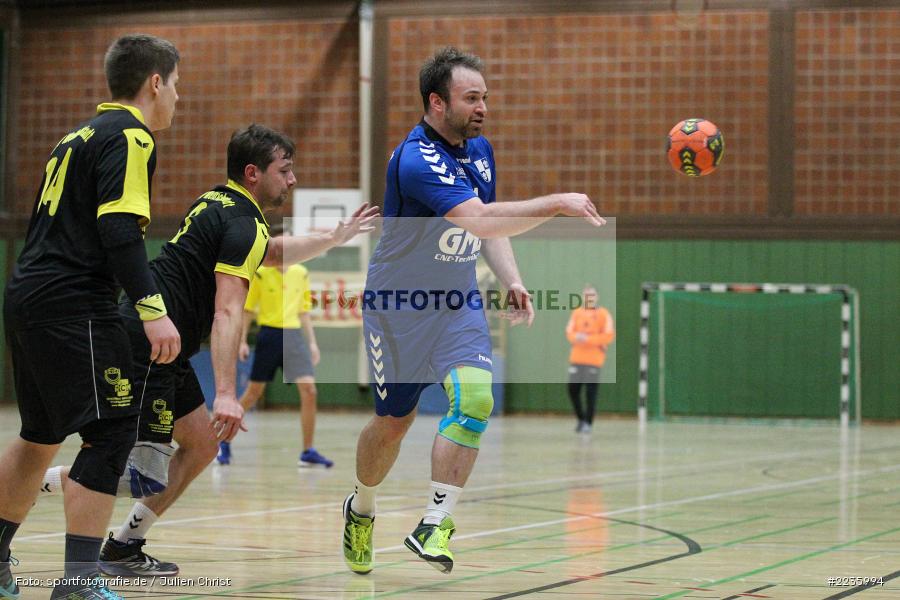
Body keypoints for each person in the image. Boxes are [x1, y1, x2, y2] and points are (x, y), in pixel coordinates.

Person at [38, 125, 378, 578]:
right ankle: (27, 483)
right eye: (286, 170)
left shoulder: (219, 201)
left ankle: (124, 546)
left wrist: (333, 238)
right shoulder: (243, 221)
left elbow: (271, 252)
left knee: (201, 445)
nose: (292, 180)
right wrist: (225, 393)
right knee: (134, 475)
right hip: (147, 347)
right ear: (254, 173)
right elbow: (227, 310)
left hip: (167, 348)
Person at [341, 47, 605, 576]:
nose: (483, 106)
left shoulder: (480, 150)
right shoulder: (416, 159)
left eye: (484, 96)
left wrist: (512, 280)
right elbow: (480, 219)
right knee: (394, 423)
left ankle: (433, 525)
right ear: (437, 102)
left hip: (457, 301)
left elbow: (488, 230)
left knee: (476, 398)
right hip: (400, 308)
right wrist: (555, 203)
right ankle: (361, 508)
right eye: (471, 97)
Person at [0, 34, 181, 600]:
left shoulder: (74, 136)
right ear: (155, 82)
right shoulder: (131, 135)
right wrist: (153, 312)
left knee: (39, 435)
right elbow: (120, 230)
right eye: (176, 84)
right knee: (112, 432)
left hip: (29, 296)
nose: (178, 96)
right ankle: (78, 585)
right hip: (74, 303)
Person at [216, 257, 333, 468]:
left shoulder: (301, 273)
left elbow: (304, 312)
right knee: (253, 392)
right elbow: (248, 311)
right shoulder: (261, 273)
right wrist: (242, 341)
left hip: (294, 337)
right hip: (269, 335)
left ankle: (308, 451)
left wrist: (313, 343)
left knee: (310, 391)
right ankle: (223, 440)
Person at [566, 285, 615, 433]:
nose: (589, 298)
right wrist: (577, 337)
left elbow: (608, 335)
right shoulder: (577, 313)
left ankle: (588, 422)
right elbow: (569, 332)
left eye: (592, 295)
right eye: (587, 295)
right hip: (577, 358)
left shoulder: (604, 315)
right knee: (572, 390)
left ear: (596, 297)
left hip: (594, 359)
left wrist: (588, 339)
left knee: (590, 392)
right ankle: (581, 418)